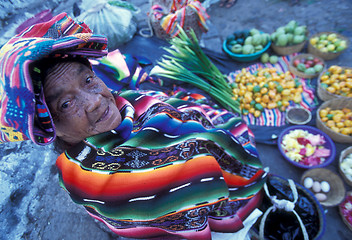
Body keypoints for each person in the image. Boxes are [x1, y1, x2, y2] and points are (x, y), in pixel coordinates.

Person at [0, 13, 266, 239]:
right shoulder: (86, 180)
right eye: (66, 105)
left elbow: (187, 115)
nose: (94, 102)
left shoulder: (132, 104)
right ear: (47, 127)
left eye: (89, 80)